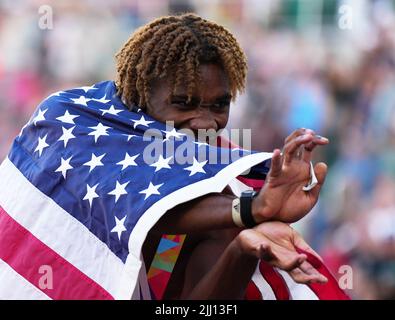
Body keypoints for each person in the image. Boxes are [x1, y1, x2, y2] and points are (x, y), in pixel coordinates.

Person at [0, 13, 347, 300]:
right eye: (183, 102)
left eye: (219, 105)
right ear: (139, 95)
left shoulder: (223, 192)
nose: (206, 122)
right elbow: (126, 197)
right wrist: (252, 209)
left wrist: (242, 248)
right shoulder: (70, 121)